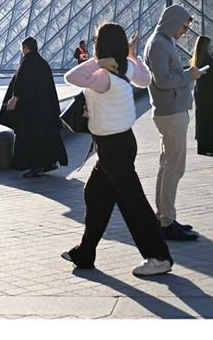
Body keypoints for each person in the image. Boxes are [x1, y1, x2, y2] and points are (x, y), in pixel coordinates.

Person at [62, 21, 173, 276]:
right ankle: (85, 253)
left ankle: (158, 256)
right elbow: (145, 80)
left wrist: (99, 62)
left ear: (101, 45)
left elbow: (72, 77)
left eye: (95, 40)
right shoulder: (127, 68)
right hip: (122, 142)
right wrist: (130, 55)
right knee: (95, 194)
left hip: (112, 146)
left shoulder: (102, 77)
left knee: (133, 203)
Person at [145, 4, 203, 242]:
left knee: (167, 166)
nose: (185, 32)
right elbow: (162, 81)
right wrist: (189, 75)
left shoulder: (163, 41)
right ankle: (166, 222)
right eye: (184, 27)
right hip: (171, 112)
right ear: (172, 22)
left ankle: (164, 217)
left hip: (171, 110)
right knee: (174, 167)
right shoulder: (159, 44)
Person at [0, 37, 69, 177]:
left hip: (30, 112)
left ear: (25, 47)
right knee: (46, 137)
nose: (21, 50)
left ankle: (35, 167)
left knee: (30, 139)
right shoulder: (43, 63)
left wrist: (10, 105)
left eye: (21, 47)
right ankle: (50, 163)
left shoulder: (25, 63)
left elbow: (19, 89)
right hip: (46, 111)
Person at [191, 35, 213, 155]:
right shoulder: (207, 58)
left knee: (202, 119)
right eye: (209, 44)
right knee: (212, 118)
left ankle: (202, 147)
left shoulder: (197, 58)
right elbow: (212, 76)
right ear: (205, 46)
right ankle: (212, 147)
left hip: (201, 91)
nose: (211, 46)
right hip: (209, 92)